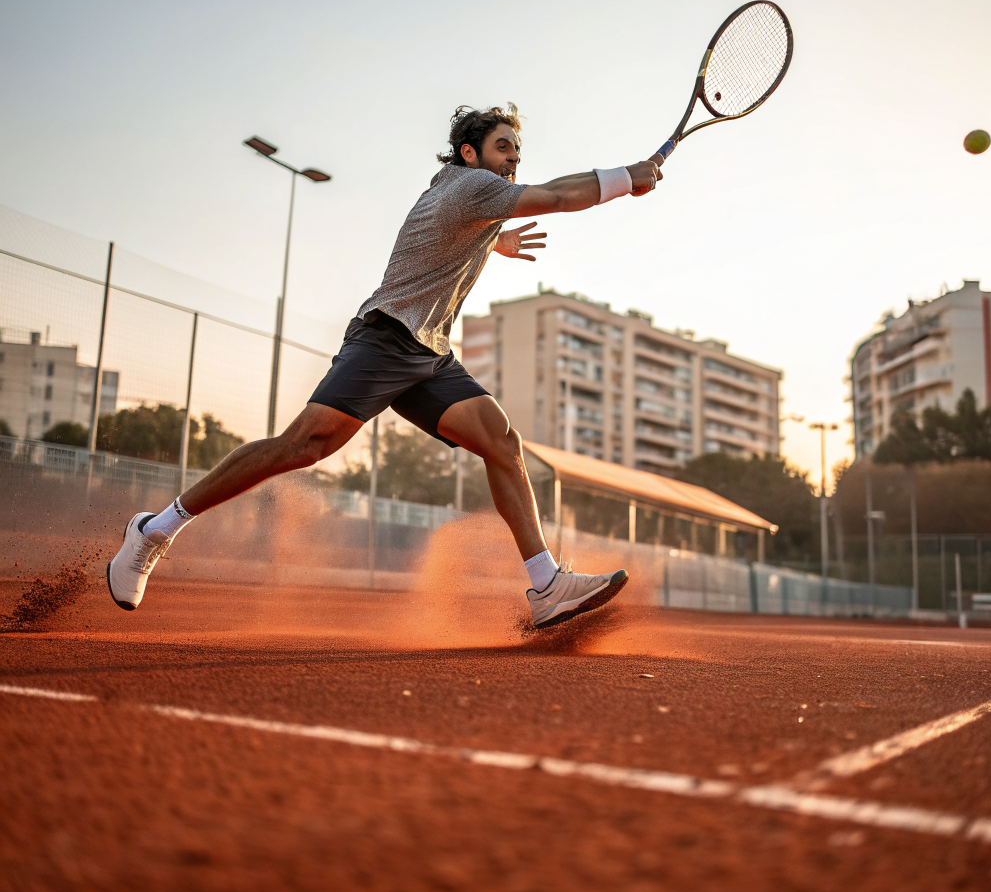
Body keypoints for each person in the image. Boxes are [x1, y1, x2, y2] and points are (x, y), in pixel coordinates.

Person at [107, 104, 662, 628]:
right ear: (470, 154)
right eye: (503, 147)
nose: (514, 157)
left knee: (500, 441)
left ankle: (546, 587)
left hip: (430, 352)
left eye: (518, 149)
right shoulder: (471, 187)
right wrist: (627, 177)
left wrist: (495, 245)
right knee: (304, 446)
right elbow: (562, 196)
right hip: (387, 336)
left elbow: (451, 231)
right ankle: (155, 529)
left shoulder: (468, 196)